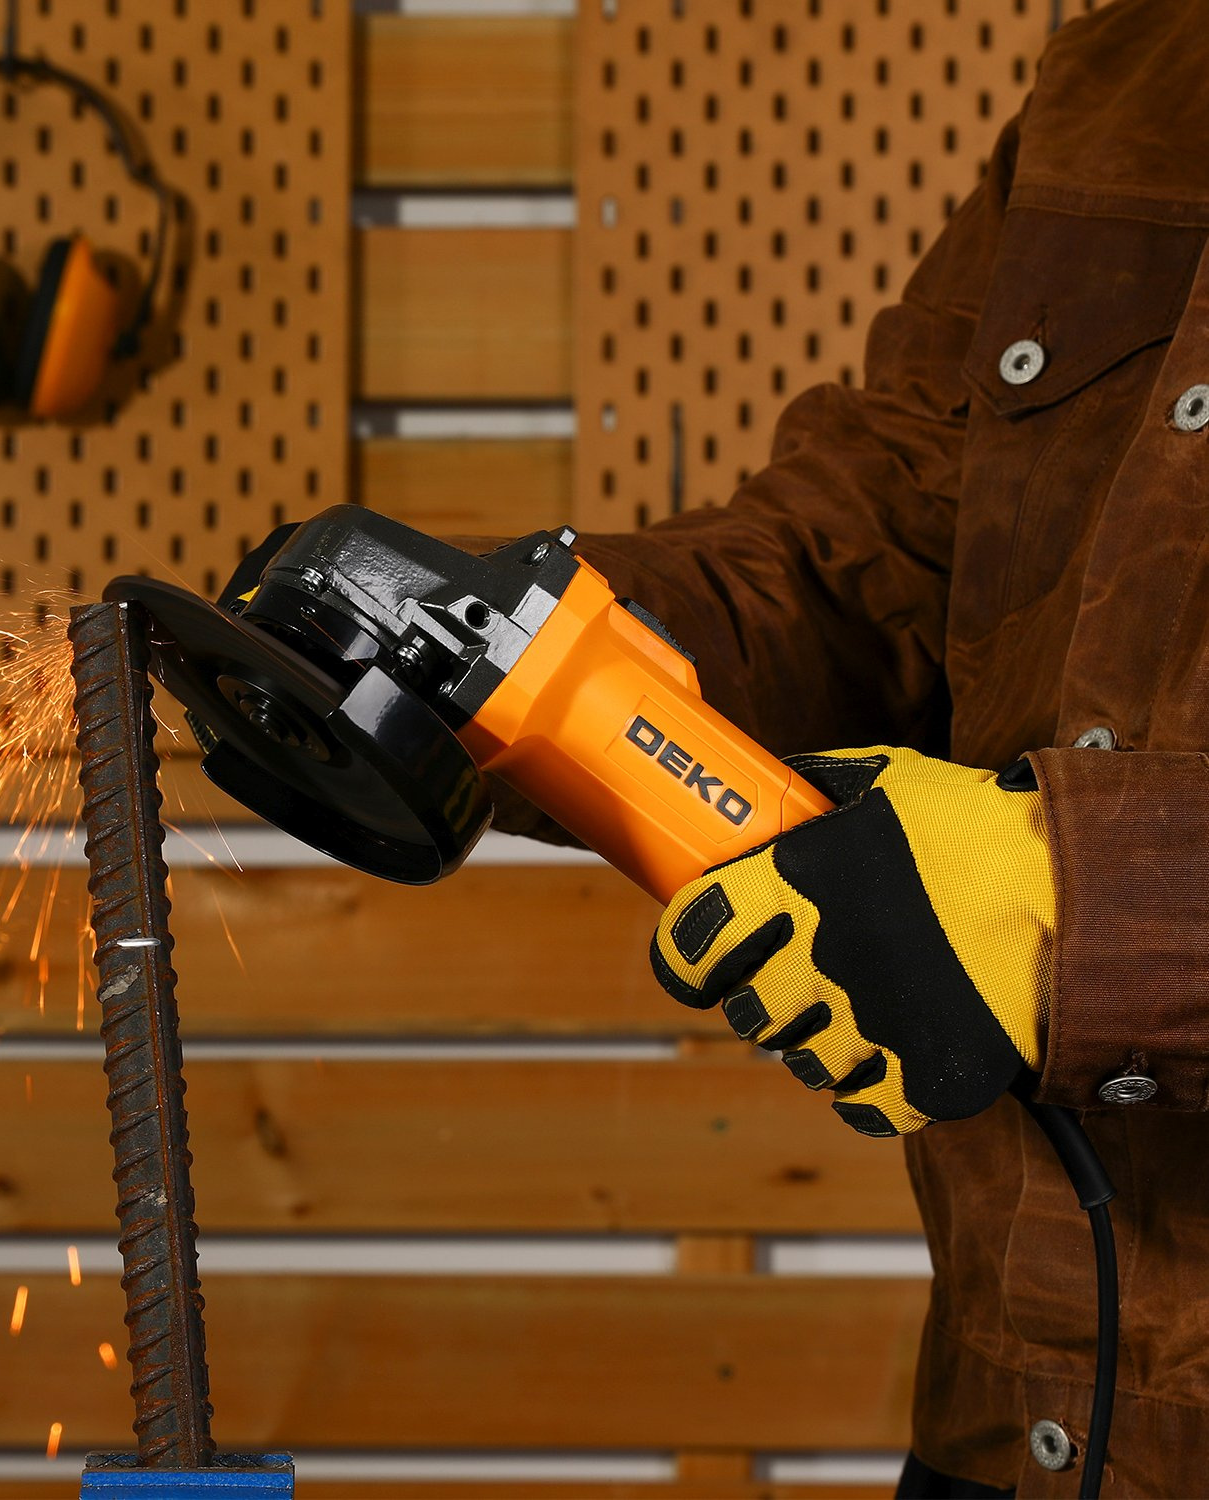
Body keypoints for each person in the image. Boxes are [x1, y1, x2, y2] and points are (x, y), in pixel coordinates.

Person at [497, 4, 1209, 1494]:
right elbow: (883, 532)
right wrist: (544, 652)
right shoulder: (1126, 74)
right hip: (1017, 1427)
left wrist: (1102, 904)